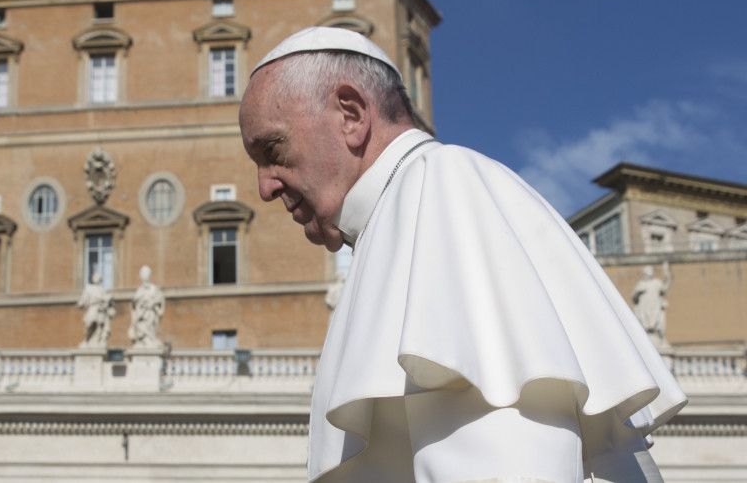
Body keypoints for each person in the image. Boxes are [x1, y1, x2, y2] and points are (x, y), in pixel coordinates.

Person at [239, 27, 686, 483]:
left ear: (351, 114)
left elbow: (504, 461)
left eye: (272, 150)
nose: (265, 187)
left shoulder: (438, 190)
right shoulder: (401, 211)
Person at [632, 262, 672, 348]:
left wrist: (667, 274)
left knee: (654, 318)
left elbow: (665, 288)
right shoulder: (641, 284)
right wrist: (638, 293)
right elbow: (634, 297)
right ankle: (646, 330)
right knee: (644, 319)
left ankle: (653, 331)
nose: (647, 275)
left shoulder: (656, 283)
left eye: (649, 273)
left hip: (654, 307)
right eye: (646, 273)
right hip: (644, 308)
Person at [129, 265, 165, 348]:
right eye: (143, 273)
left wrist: (154, 305)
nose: (144, 275)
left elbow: (160, 300)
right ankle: (144, 341)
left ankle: (149, 341)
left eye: (146, 273)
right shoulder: (139, 290)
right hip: (140, 314)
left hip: (150, 313)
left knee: (149, 328)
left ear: (149, 275)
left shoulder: (154, 288)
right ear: (140, 276)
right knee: (140, 328)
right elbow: (134, 303)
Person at [78, 272, 115, 348]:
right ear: (93, 279)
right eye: (95, 277)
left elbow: (109, 301)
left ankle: (98, 341)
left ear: (100, 280)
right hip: (93, 308)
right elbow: (83, 299)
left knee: (100, 326)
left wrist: (109, 300)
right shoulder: (89, 288)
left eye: (98, 277)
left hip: (101, 310)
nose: (96, 279)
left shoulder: (103, 290)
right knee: (90, 324)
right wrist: (81, 303)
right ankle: (87, 340)